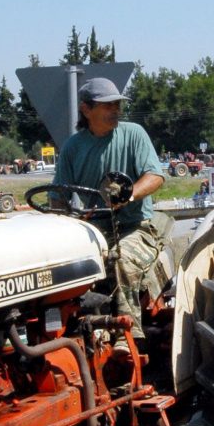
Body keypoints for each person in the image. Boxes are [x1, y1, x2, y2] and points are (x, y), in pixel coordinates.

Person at [55, 77, 166, 354]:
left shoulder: (133, 134)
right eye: (108, 105)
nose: (116, 109)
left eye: (117, 104)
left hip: (135, 227)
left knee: (119, 259)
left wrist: (128, 195)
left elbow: (155, 176)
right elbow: (58, 196)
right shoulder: (72, 147)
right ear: (86, 109)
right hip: (93, 229)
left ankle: (126, 337)